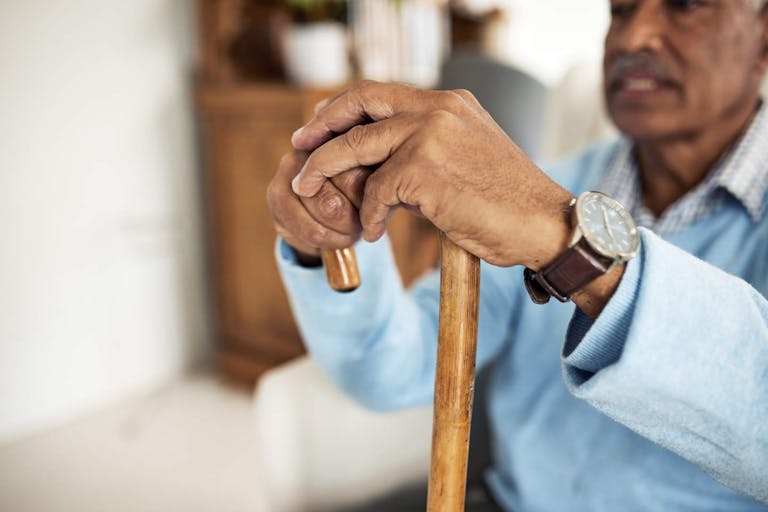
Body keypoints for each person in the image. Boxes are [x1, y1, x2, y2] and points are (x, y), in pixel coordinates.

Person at [267, 0, 768, 509]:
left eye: (685, 6)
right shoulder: (545, 187)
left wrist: (563, 239)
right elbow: (390, 368)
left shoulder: (534, 205)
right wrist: (325, 239)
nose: (633, 38)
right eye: (620, 11)